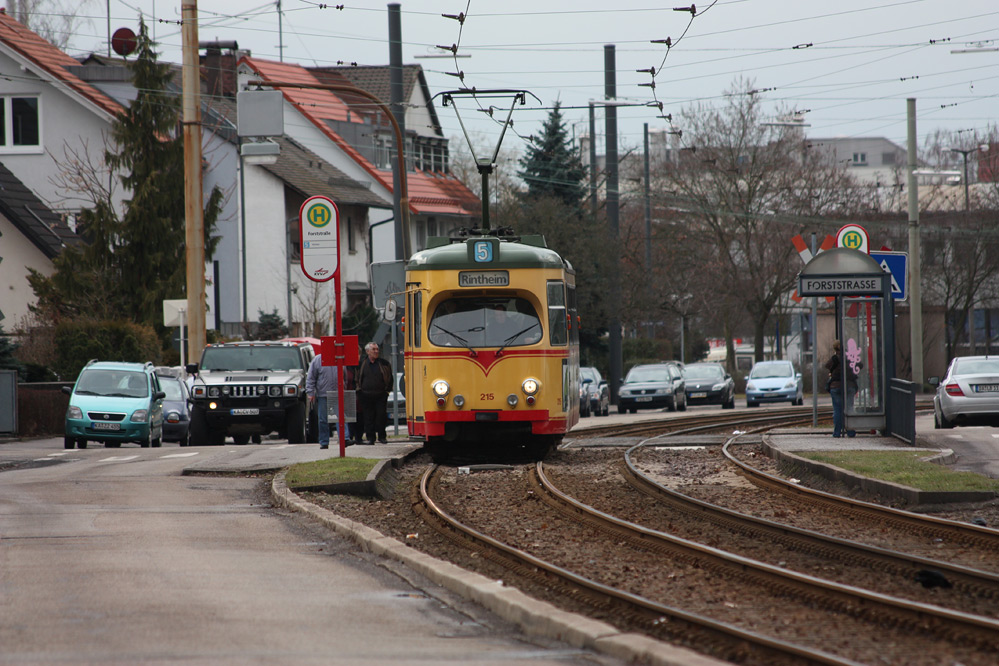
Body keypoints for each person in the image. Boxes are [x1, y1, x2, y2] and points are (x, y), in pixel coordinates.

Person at [305, 354, 348, 450]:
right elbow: (311, 377)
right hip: (323, 394)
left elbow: (344, 376)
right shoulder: (317, 360)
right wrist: (310, 392)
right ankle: (324, 442)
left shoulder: (339, 358)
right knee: (322, 419)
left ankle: (344, 438)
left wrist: (343, 389)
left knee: (341, 417)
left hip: (337, 394)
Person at [357, 341, 393, 444]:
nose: (376, 351)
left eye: (377, 349)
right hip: (366, 395)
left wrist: (387, 391)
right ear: (367, 351)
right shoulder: (361, 364)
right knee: (368, 418)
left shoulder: (384, 364)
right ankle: (370, 438)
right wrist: (359, 391)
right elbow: (357, 378)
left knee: (381, 417)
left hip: (381, 395)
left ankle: (382, 437)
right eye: (373, 349)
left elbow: (390, 378)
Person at [825, 340, 856, 438]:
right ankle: (850, 432)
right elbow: (859, 365)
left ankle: (837, 432)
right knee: (849, 408)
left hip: (835, 386)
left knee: (837, 410)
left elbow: (827, 366)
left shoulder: (834, 359)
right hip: (849, 385)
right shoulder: (849, 357)